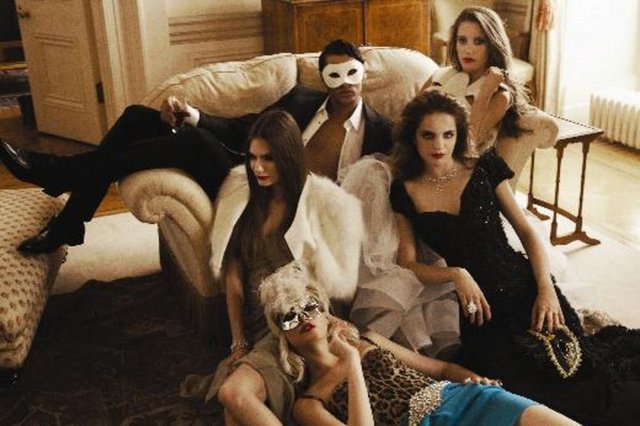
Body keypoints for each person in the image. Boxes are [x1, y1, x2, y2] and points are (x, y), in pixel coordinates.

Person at [0, 38, 391, 254]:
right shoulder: (303, 100)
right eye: (335, 74)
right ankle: (69, 220)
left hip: (289, 207)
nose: (345, 82)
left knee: (195, 144)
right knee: (137, 116)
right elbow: (245, 128)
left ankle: (59, 176)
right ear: (323, 78)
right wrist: (191, 113)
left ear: (364, 73)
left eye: (352, 72)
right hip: (248, 174)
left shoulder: (380, 131)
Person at [389, 90, 640, 424]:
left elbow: (526, 232)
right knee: (519, 397)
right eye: (428, 135)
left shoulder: (483, 167)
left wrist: (545, 289)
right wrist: (456, 274)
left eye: (448, 134)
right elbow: (407, 262)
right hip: (479, 311)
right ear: (413, 137)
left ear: (459, 135)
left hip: (524, 287)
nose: (439, 145)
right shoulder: (404, 190)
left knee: (575, 375)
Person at [179, 109, 364, 425]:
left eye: (269, 158)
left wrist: (325, 323)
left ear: (288, 157)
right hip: (257, 323)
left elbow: (334, 283)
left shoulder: (320, 203)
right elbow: (233, 277)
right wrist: (238, 340)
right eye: (252, 158)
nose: (258, 167)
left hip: (295, 321)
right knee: (234, 409)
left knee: (234, 395)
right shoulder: (243, 199)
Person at [258, 262, 579, 426]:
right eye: (290, 316)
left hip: (465, 399)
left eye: (310, 306)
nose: (304, 318)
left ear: (324, 310)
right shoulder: (309, 404)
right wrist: (352, 363)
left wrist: (474, 379)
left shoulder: (369, 339)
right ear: (281, 333)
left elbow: (441, 368)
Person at [422, 6, 530, 155]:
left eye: (478, 41)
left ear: (492, 45)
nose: (468, 50)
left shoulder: (499, 94)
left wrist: (485, 92)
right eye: (462, 40)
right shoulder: (440, 75)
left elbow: (469, 143)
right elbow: (406, 120)